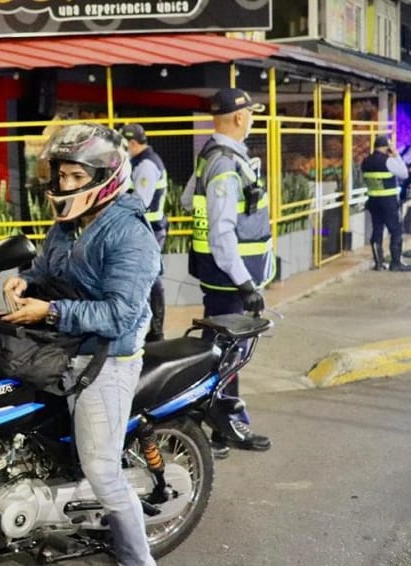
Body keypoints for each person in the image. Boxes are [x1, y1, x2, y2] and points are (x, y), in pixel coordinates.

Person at [3, 123, 159, 566]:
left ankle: (137, 559)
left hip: (107, 359)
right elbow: (47, 268)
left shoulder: (129, 235)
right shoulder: (68, 225)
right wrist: (25, 280)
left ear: (105, 177)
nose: (65, 185)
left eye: (76, 177)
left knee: (103, 472)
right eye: (61, 176)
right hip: (62, 349)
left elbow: (119, 315)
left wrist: (50, 311)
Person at [181, 87, 274, 456]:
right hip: (230, 280)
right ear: (238, 116)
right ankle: (225, 426)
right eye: (250, 113)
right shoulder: (224, 164)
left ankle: (210, 424)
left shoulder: (211, 155)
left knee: (219, 352)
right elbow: (221, 233)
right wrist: (246, 283)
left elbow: (187, 200)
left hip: (218, 276)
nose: (251, 119)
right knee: (229, 356)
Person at [121, 123, 168, 342]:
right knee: (146, 276)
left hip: (150, 229)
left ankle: (157, 330)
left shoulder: (146, 164)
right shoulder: (140, 162)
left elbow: (140, 201)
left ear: (132, 143)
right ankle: (152, 329)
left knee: (151, 277)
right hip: (147, 229)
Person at [362, 135, 411, 271]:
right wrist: (396, 156)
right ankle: (396, 263)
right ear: (387, 147)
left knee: (377, 230)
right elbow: (404, 173)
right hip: (388, 202)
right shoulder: (388, 161)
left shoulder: (366, 162)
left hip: (373, 201)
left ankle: (378, 264)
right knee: (396, 230)